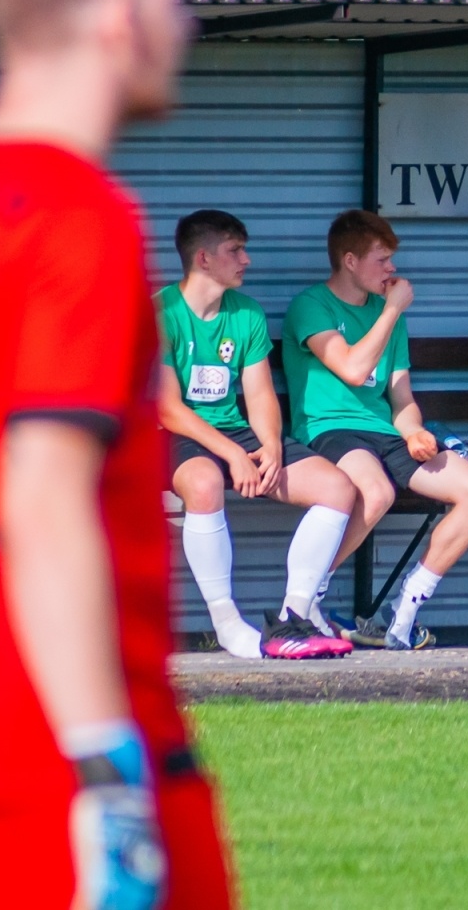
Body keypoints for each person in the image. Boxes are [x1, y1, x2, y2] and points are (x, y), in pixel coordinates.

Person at [0, 0, 235, 910]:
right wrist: (107, 782)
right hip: (71, 759)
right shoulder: (82, 216)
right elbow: (40, 500)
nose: (187, 29)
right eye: (177, 1)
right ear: (119, 18)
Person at [282, 210, 468, 650]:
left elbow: (401, 399)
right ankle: (305, 602)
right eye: (382, 260)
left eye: (392, 260)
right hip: (329, 428)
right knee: (375, 491)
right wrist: (394, 310)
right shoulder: (313, 306)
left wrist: (415, 431)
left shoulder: (387, 314)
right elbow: (354, 369)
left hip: (385, 431)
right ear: (350, 261)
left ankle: (404, 610)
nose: (392, 270)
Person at [159, 209, 360, 659]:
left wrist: (269, 444)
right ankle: (228, 623)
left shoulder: (246, 313)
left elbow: (260, 394)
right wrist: (232, 455)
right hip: (177, 432)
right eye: (235, 250)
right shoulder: (161, 312)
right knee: (205, 483)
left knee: (337, 487)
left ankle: (293, 620)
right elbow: (168, 408)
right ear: (203, 259)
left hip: (234, 432)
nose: (247, 260)